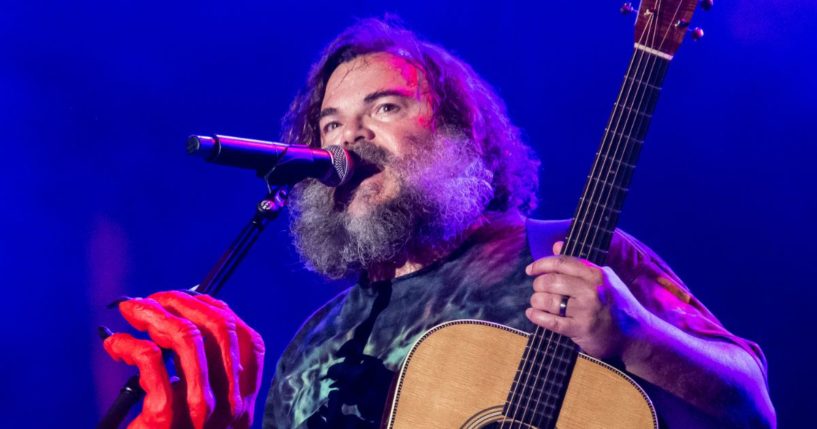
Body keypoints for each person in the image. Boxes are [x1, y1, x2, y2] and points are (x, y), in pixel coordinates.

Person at [103, 18, 775, 429]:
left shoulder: (569, 250)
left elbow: (752, 406)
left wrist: (634, 335)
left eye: (385, 107)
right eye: (329, 123)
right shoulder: (313, 344)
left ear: (464, 134)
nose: (348, 136)